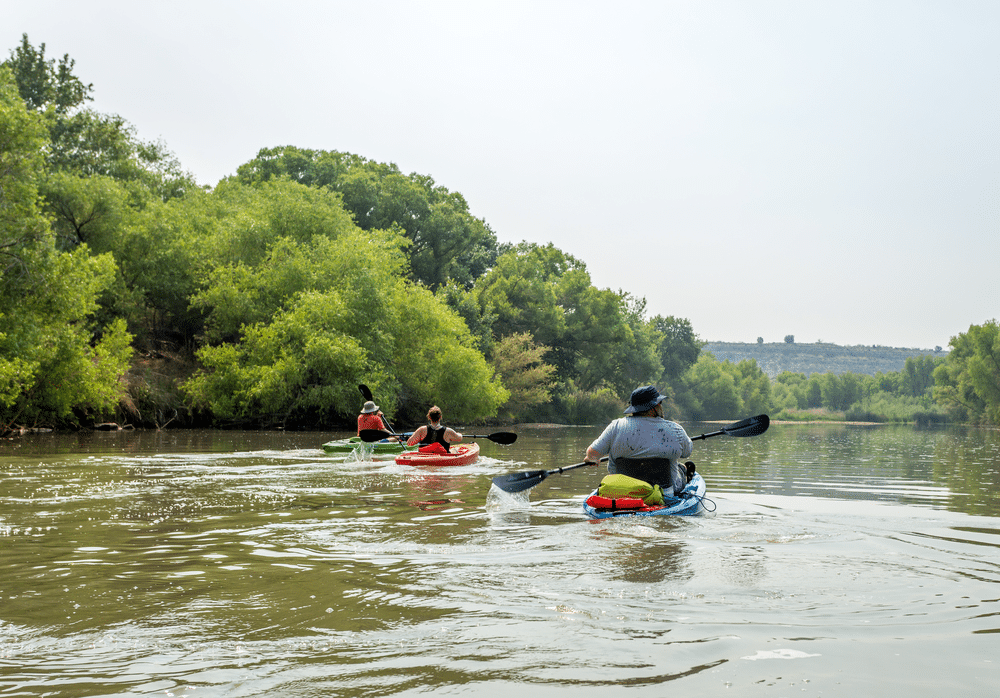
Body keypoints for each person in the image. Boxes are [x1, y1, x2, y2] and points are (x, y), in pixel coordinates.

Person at [585, 385, 693, 497]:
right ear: (654, 407)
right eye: (660, 403)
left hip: (622, 493)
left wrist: (591, 458)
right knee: (683, 468)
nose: (661, 406)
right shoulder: (676, 429)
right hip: (663, 496)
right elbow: (687, 452)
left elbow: (593, 454)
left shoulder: (616, 426)